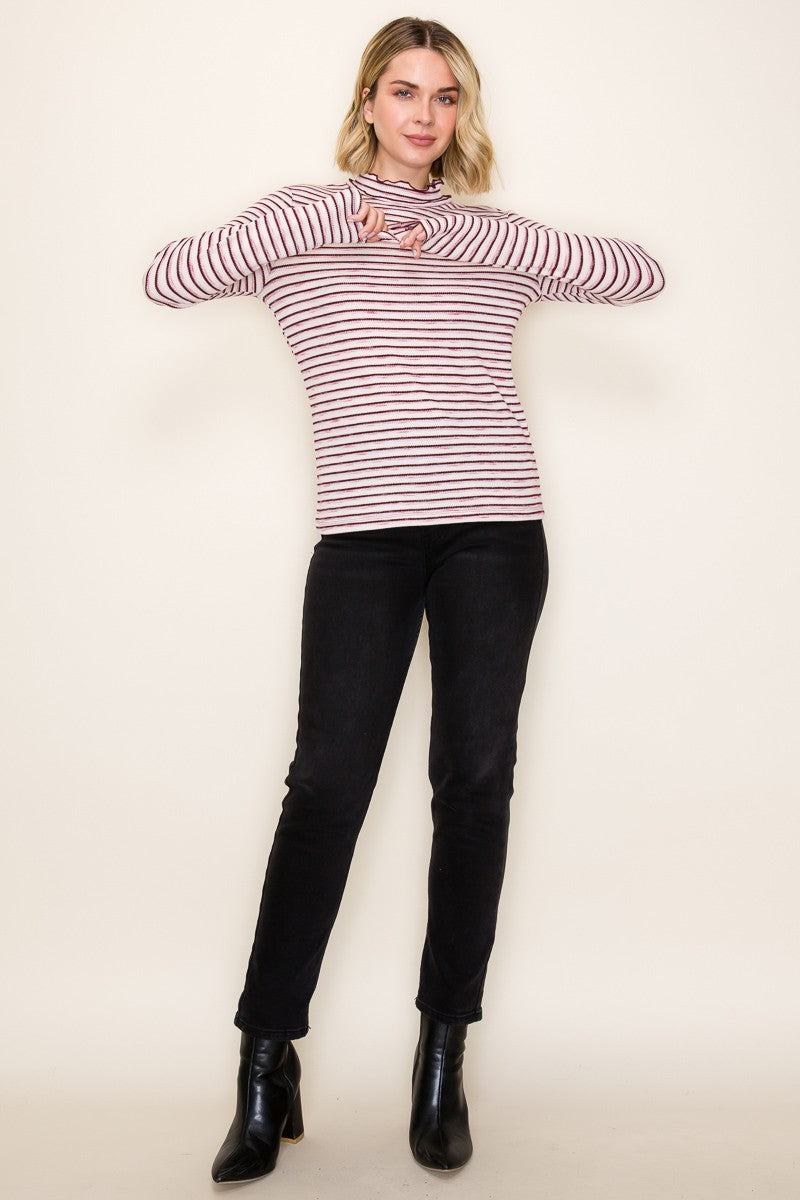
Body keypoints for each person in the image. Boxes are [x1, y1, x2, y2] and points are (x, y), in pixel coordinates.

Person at [142, 15, 665, 1183]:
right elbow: (169, 277)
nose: (423, 114)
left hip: (494, 537)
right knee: (325, 788)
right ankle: (265, 1066)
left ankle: (441, 1065)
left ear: (459, 112)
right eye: (403, 91)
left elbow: (637, 272)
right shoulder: (302, 226)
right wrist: (337, 216)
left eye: (445, 96)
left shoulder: (487, 236)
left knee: (472, 788)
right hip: (366, 543)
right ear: (367, 104)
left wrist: (467, 237)